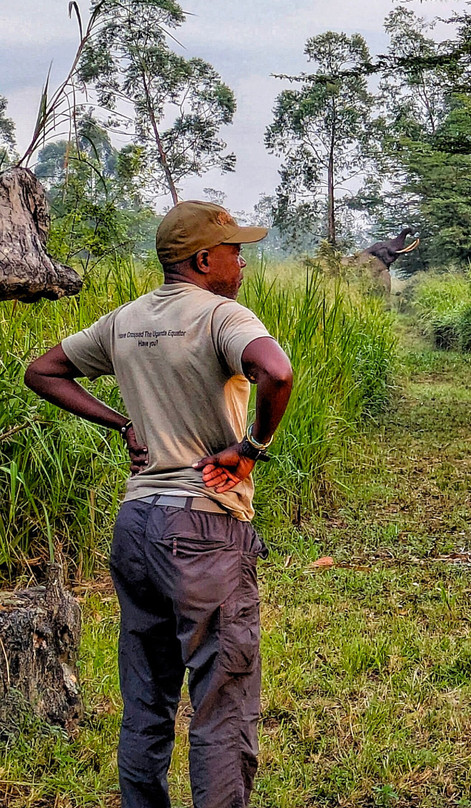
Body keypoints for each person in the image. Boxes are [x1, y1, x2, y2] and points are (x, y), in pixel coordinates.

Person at [24, 200, 294, 808]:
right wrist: (250, 447)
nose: (241, 262)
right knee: (222, 700)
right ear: (203, 258)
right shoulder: (223, 316)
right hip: (203, 525)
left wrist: (120, 424)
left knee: (146, 698)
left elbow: (43, 371)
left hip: (137, 524)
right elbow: (276, 373)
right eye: (234, 250)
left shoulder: (125, 320)